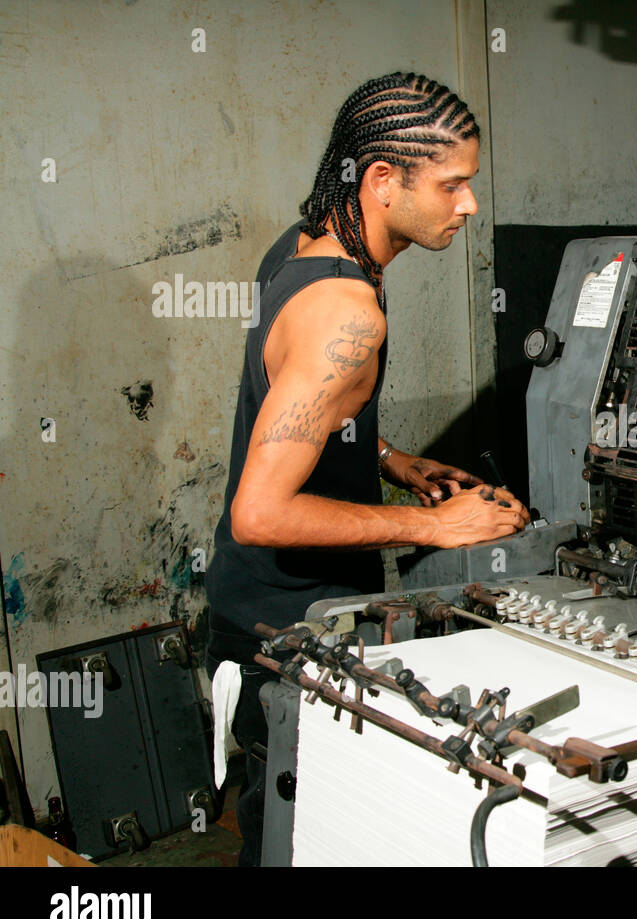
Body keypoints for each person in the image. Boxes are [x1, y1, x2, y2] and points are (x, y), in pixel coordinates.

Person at [205, 72, 527, 865]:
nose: (469, 205)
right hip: (285, 633)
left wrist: (392, 461)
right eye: (453, 185)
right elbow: (260, 512)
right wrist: (434, 524)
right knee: (295, 845)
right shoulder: (348, 313)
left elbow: (301, 409)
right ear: (383, 181)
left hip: (250, 605)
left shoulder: (305, 244)